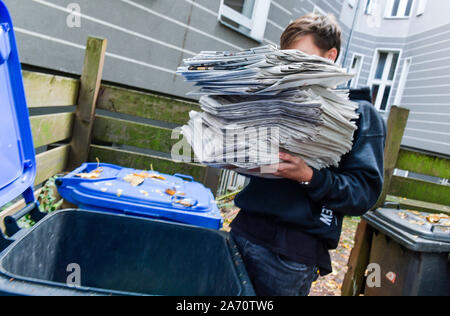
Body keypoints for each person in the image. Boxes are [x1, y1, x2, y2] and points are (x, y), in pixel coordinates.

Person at [229, 13, 387, 296]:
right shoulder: (276, 101)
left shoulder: (361, 115)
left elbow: (363, 193)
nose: (294, 69)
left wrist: (309, 177)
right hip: (242, 232)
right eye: (287, 60)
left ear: (331, 56)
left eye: (303, 59)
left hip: (290, 255)